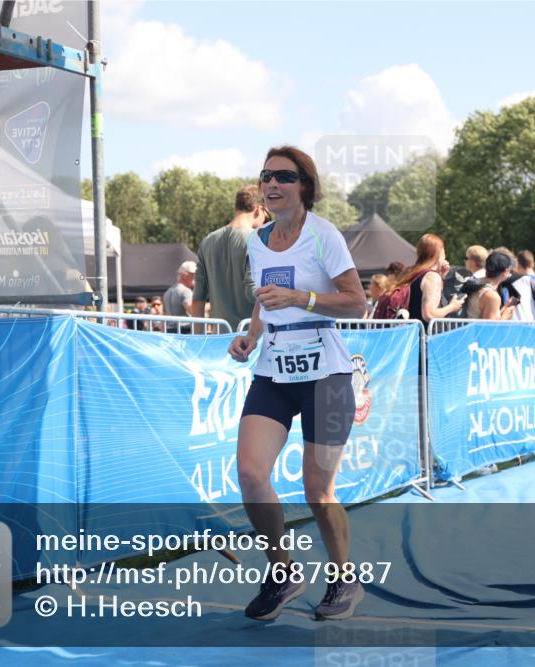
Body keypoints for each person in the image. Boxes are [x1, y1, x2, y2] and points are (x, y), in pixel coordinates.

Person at [228, 146, 367, 622]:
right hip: (273, 370)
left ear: (304, 185)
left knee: (317, 491)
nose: (272, 184)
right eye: (266, 176)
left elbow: (356, 303)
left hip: (326, 374)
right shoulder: (257, 239)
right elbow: (264, 303)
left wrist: (302, 297)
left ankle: (344, 579)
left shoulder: (323, 235)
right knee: (250, 473)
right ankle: (282, 572)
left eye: (284, 177)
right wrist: (249, 337)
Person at [191, 185, 267, 329]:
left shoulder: (207, 241)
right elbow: (253, 293)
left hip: (220, 339)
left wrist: (199, 340)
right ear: (258, 210)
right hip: (252, 339)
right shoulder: (257, 240)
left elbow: (198, 298)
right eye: (266, 216)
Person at [390, 234, 465, 324]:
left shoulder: (411, 272)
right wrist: (452, 306)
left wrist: (441, 276)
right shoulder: (432, 277)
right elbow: (429, 314)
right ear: (439, 252)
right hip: (423, 335)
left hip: (407, 333)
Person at [464, 251, 515, 320]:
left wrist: (500, 314)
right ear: (505, 272)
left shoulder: (476, 283)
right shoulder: (492, 296)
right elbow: (489, 328)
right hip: (474, 330)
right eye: (510, 271)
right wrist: (504, 317)